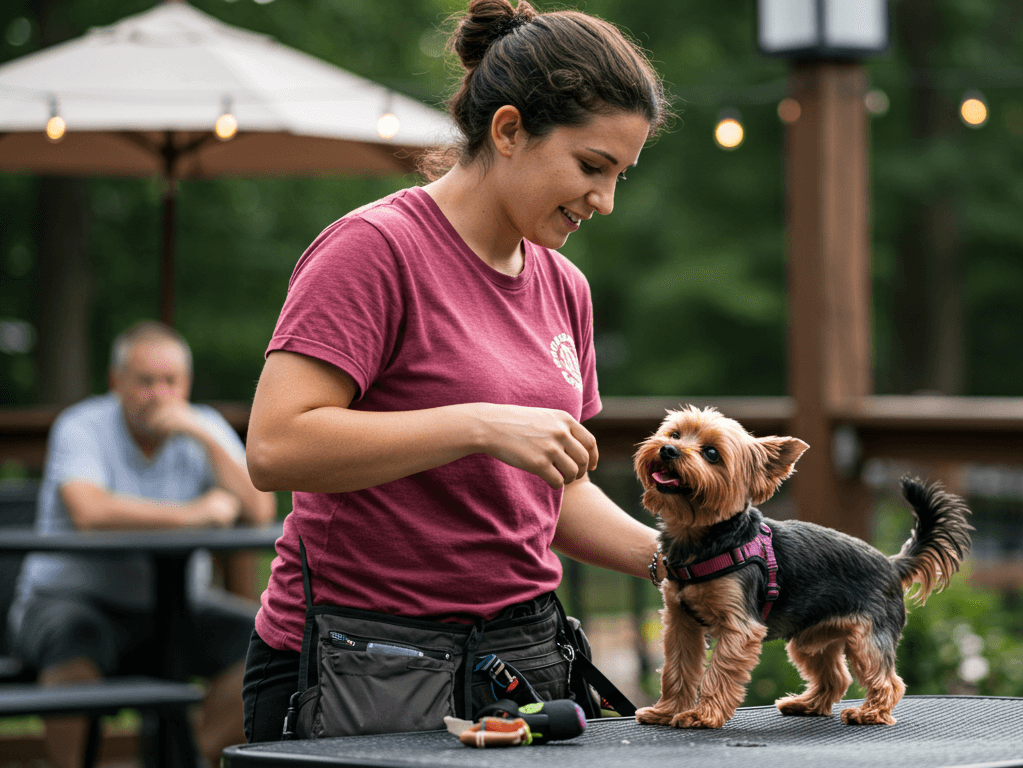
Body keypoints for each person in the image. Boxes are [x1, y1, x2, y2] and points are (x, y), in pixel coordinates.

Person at [239, 0, 673, 743]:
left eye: (620, 177)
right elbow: (276, 447)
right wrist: (477, 425)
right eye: (591, 167)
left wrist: (682, 563)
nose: (602, 200)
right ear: (508, 131)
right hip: (357, 666)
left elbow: (552, 493)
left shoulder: (566, 287)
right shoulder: (374, 250)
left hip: (521, 664)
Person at [8, 321, 277, 768]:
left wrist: (205, 436)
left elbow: (260, 509)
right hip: (69, 602)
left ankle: (190, 758)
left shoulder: (202, 429)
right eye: (145, 381)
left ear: (186, 385)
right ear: (116, 381)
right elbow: (89, 511)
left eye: (171, 381)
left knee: (263, 640)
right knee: (75, 638)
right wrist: (193, 515)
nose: (159, 394)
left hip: (175, 608)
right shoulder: (81, 426)